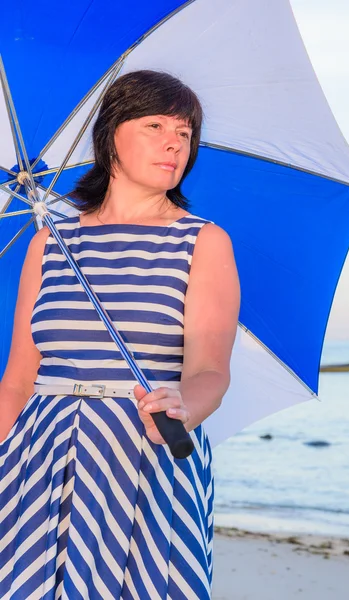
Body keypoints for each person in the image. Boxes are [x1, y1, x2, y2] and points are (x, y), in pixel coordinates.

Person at [0, 69, 240, 598]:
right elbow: (19, 377)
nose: (175, 142)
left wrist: (185, 406)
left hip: (143, 455)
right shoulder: (49, 243)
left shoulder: (203, 241)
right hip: (37, 458)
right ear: (111, 134)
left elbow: (209, 371)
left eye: (185, 132)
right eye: (155, 125)